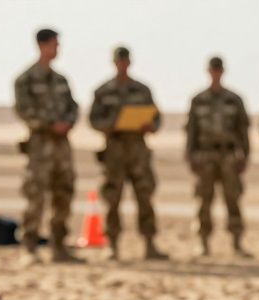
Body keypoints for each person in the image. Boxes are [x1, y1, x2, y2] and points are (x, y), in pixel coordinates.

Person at [89, 46, 166, 260]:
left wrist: (149, 125)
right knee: (112, 197)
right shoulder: (103, 91)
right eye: (119, 61)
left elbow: (156, 118)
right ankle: (112, 244)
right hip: (114, 150)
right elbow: (93, 120)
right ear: (114, 63)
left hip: (138, 151)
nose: (122, 65)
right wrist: (112, 125)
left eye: (125, 61)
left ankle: (149, 243)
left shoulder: (142, 90)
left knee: (145, 196)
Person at [13, 27, 79, 264]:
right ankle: (29, 246)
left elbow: (73, 108)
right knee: (36, 196)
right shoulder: (25, 80)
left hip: (62, 147)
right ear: (42, 45)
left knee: (64, 194)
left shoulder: (61, 80)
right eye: (55, 44)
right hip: (40, 147)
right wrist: (50, 124)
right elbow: (24, 110)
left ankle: (59, 246)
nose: (57, 49)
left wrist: (67, 123)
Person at [185, 56, 249, 257]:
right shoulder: (198, 100)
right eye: (213, 69)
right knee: (204, 200)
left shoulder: (234, 100)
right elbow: (191, 132)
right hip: (205, 156)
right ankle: (203, 243)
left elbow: (243, 131)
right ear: (208, 71)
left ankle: (237, 243)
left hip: (228, 156)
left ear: (222, 71)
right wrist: (190, 156)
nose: (216, 73)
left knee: (233, 199)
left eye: (218, 70)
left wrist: (244, 156)